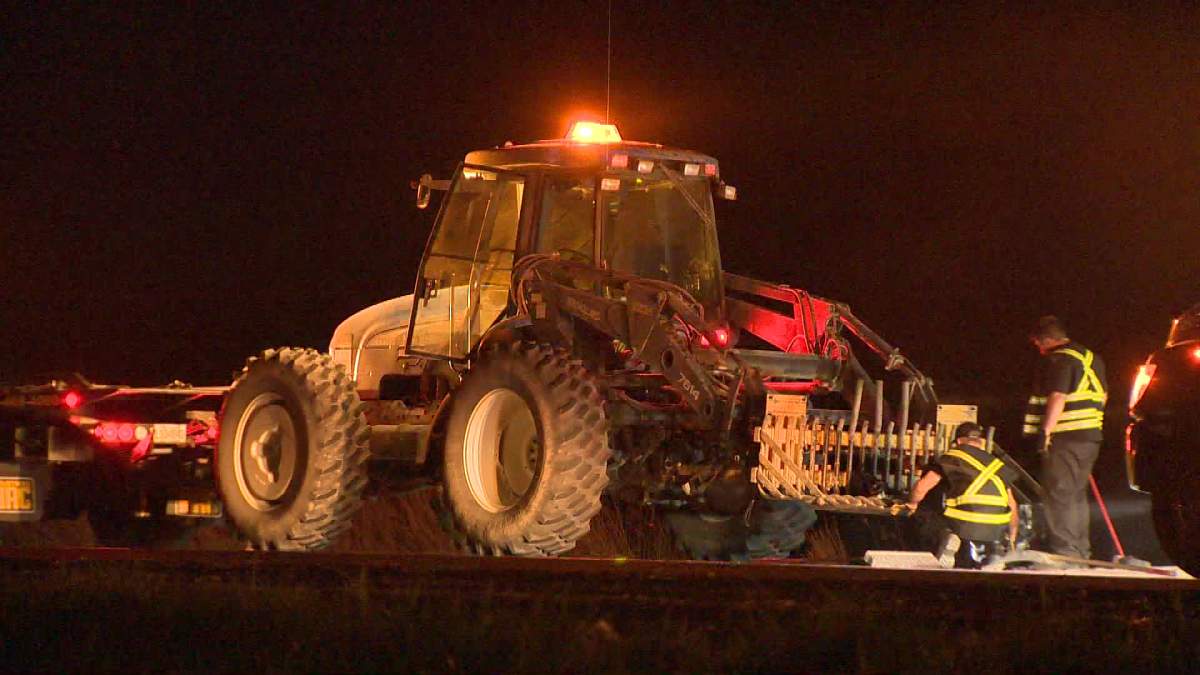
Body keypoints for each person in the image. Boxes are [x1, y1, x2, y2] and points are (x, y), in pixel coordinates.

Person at [1023, 315, 1107, 559]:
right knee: (1076, 494)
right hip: (1089, 438)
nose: (1038, 350)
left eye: (1038, 344)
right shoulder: (1091, 358)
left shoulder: (1060, 359)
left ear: (1047, 340)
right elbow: (1103, 397)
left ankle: (1065, 552)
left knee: (1059, 493)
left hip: (1066, 437)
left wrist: (1046, 432)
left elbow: (1058, 396)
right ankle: (1080, 550)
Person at [906, 422, 1020, 569]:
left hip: (963, 524)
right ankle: (997, 553)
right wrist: (1012, 536)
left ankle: (947, 538)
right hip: (995, 527)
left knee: (926, 514)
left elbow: (922, 488)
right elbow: (1012, 504)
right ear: (981, 443)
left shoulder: (952, 457)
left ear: (958, 441)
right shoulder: (996, 464)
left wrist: (913, 503)